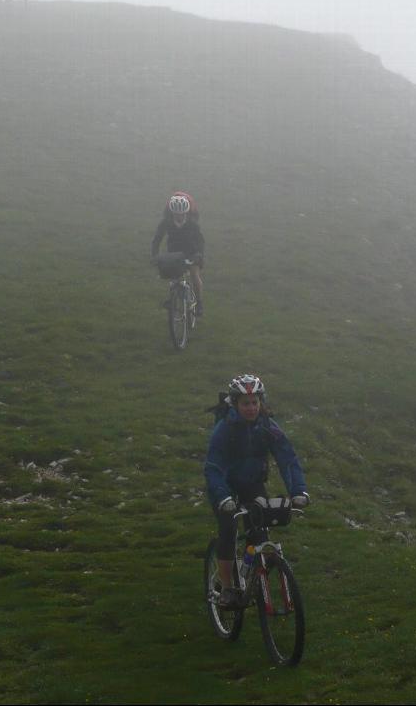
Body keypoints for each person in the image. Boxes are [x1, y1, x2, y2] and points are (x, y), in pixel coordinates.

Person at [204, 374, 310, 608]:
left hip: (252, 483)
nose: (251, 408)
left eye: (255, 403)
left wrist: (298, 491)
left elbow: (287, 458)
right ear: (235, 404)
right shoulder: (224, 429)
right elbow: (213, 466)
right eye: (245, 403)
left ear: (261, 403)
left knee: (260, 529)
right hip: (225, 488)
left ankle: (253, 572)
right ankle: (228, 588)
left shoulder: (267, 427)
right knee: (229, 529)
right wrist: (222, 496)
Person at [150, 192, 205, 316]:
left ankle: (199, 303)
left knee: (194, 275)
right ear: (172, 213)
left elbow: (200, 241)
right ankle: (172, 298)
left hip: (191, 252)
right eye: (176, 213)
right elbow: (157, 239)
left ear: (186, 212)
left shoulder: (192, 224)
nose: (179, 216)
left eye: (181, 213)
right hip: (174, 252)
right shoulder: (166, 222)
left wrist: (199, 255)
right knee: (173, 277)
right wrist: (154, 255)